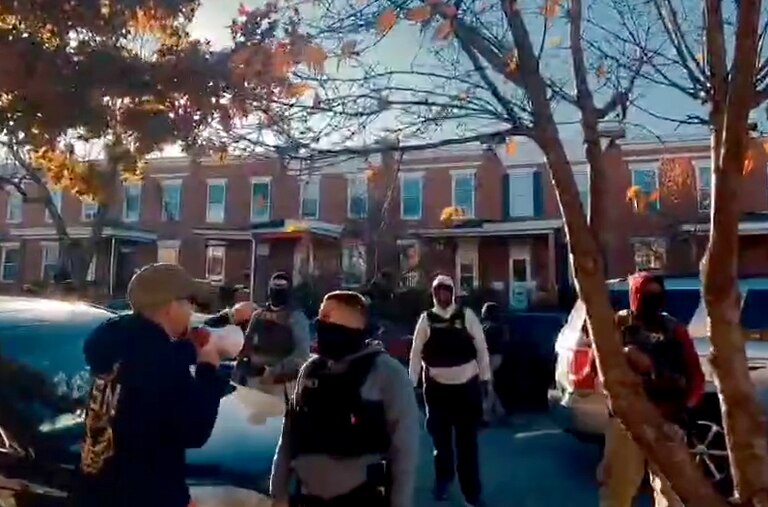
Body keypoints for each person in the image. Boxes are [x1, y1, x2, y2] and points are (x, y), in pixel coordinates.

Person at [74, 263, 231, 507]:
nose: (191, 311)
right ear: (171, 307)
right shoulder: (159, 361)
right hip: (143, 495)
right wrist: (208, 371)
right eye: (188, 302)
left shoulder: (114, 345)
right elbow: (194, 431)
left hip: (98, 488)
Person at [270, 291, 420, 507]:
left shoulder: (387, 373)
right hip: (307, 497)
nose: (320, 325)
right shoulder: (311, 371)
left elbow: (405, 451)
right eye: (320, 318)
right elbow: (289, 437)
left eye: (328, 318)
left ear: (353, 327)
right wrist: (278, 493)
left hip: (360, 497)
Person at [598, 272, 705, 507]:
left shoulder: (674, 330)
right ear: (635, 296)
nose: (653, 300)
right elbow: (599, 363)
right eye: (646, 295)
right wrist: (626, 354)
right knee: (618, 489)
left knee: (672, 493)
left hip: (666, 419)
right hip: (628, 420)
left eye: (657, 294)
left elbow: (695, 375)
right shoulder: (619, 326)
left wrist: (685, 410)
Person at [408, 275, 492, 507]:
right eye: (439, 292)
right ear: (434, 295)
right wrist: (411, 383)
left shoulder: (466, 316)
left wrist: (485, 379)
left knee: (467, 445)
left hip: (466, 387)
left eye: (447, 291)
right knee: (441, 443)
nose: (443, 296)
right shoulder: (426, 320)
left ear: (452, 293)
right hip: (437, 389)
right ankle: (443, 482)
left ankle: (471, 492)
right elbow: (416, 354)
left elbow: (481, 347)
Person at [235, 272, 311, 398]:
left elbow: (302, 354)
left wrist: (274, 371)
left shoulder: (296, 318)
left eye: (282, 287)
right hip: (253, 379)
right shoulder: (258, 316)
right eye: (275, 287)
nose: (277, 292)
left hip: (281, 384)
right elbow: (245, 347)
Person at [479, 302, 508, 425]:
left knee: (489, 385)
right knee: (490, 383)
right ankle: (500, 410)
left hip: (488, 357)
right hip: (498, 357)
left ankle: (486, 415)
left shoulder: (485, 327)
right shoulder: (501, 326)